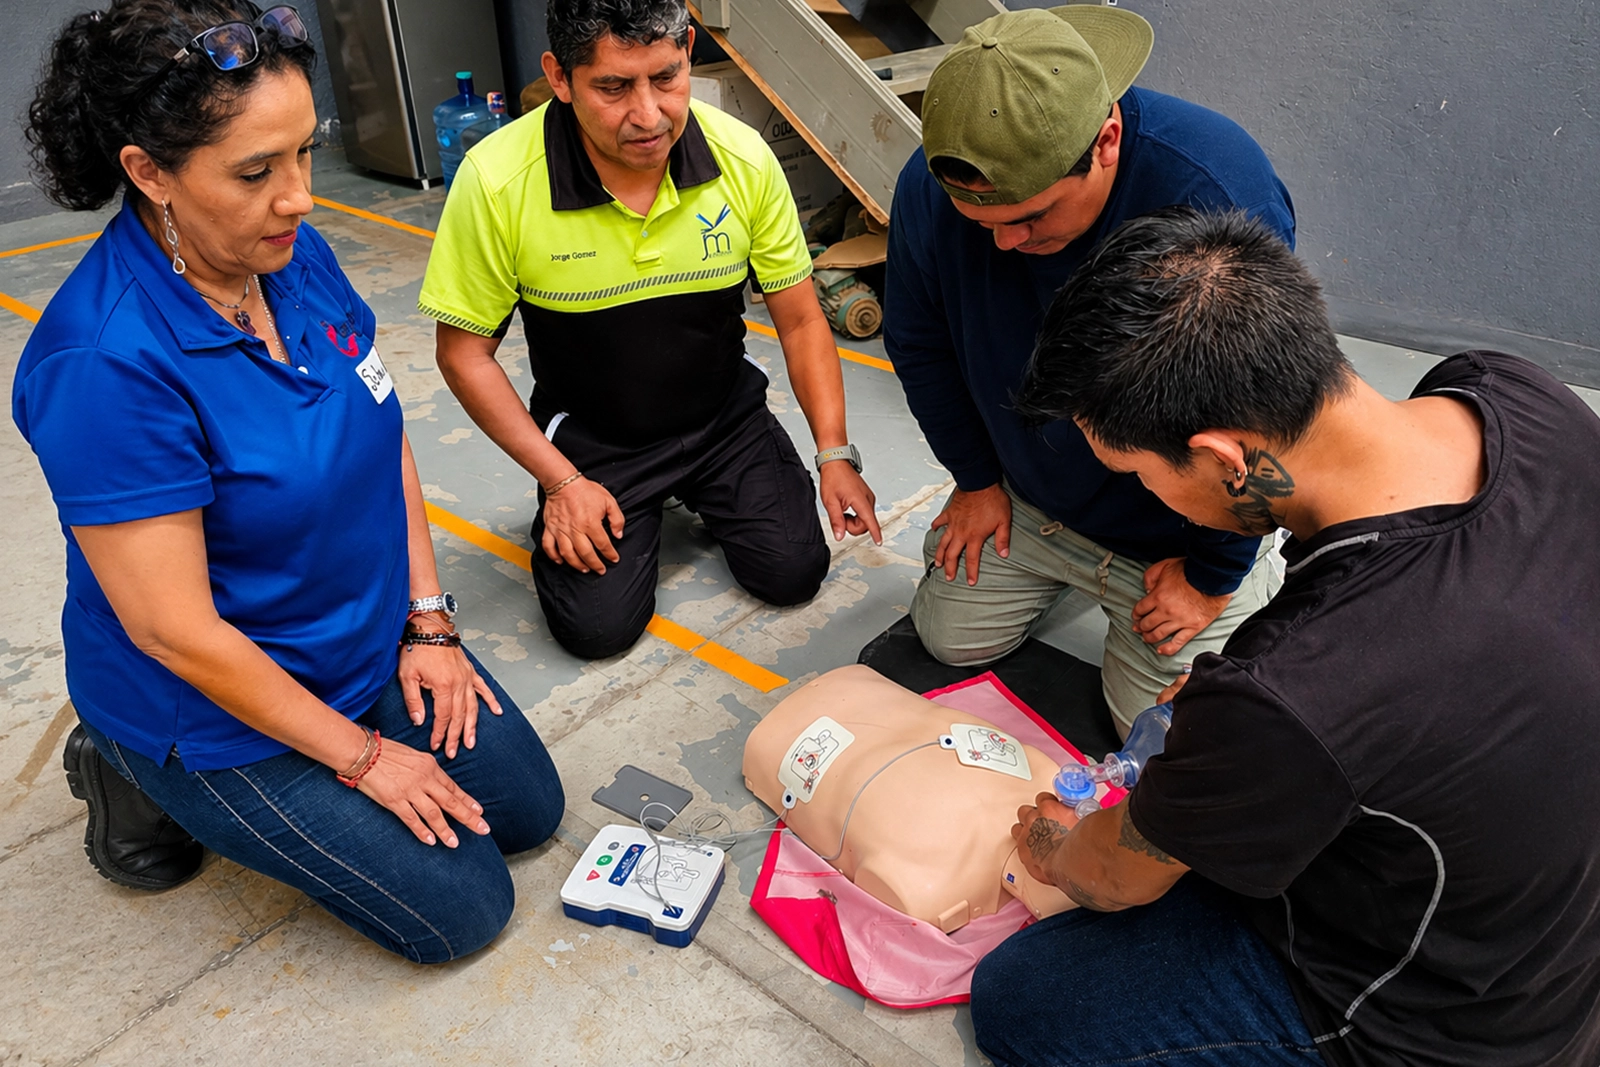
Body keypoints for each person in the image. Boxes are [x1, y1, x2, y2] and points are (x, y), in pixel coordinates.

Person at [976, 207, 1600, 1065]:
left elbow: (1115, 876)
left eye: (1138, 473)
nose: (1144, 496)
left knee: (1025, 998)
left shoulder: (1294, 689)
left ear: (1225, 457)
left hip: (1455, 1027)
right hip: (1554, 911)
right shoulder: (1511, 392)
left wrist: (1054, 843)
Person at [13, 0, 564, 963]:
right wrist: (366, 759)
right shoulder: (105, 365)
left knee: (528, 810)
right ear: (149, 172)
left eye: (306, 152)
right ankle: (127, 764)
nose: (300, 197)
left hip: (355, 638)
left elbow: (381, 430)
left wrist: (428, 623)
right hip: (216, 706)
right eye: (256, 171)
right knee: (464, 909)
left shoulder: (290, 255)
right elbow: (174, 630)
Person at [418, 0, 882, 661]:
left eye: (666, 78)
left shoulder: (742, 159)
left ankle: (708, 485)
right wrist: (561, 482)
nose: (648, 114)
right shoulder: (498, 181)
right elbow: (464, 355)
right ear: (559, 77)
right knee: (597, 630)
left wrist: (834, 453)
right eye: (613, 87)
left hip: (723, 418)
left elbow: (804, 318)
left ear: (688, 50)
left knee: (794, 572)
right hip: (595, 441)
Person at [885, 5, 1294, 734]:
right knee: (949, 639)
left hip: (1176, 528)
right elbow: (919, 342)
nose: (1004, 243)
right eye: (983, 224)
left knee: (1164, 732)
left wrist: (1212, 575)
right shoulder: (933, 184)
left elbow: (1260, 414)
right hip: (1035, 498)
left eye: (1032, 216)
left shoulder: (1216, 192)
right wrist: (976, 480)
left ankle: (1253, 571)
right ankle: (1057, 553)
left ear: (1106, 140)